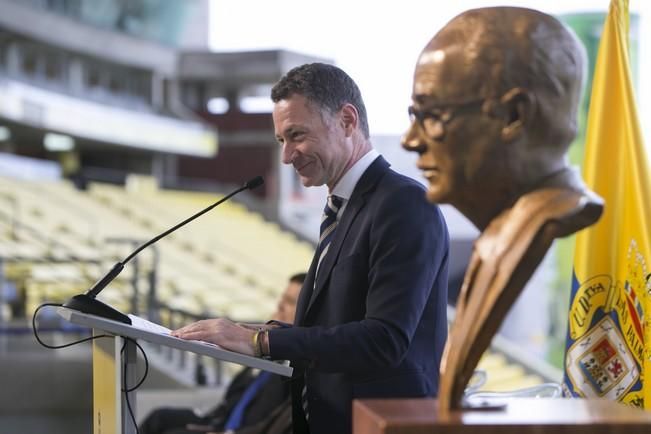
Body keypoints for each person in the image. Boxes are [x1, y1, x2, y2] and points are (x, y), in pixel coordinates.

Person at [173, 63, 449, 434]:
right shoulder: (342, 206)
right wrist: (246, 331)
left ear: (347, 121)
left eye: (297, 135)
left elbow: (384, 339)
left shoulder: (403, 203)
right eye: (281, 141)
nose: (287, 156)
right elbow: (337, 327)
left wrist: (261, 341)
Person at [401, 6, 604, 412]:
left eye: (432, 116)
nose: (411, 140)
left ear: (514, 116)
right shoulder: (499, 235)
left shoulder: (545, 222)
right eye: (413, 116)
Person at [139, 273, 306, 434]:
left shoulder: (298, 368)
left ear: (305, 312)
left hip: (242, 430)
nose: (280, 306)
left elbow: (273, 423)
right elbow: (233, 398)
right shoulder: (261, 348)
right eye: (282, 299)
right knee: (159, 418)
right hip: (219, 422)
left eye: (290, 302)